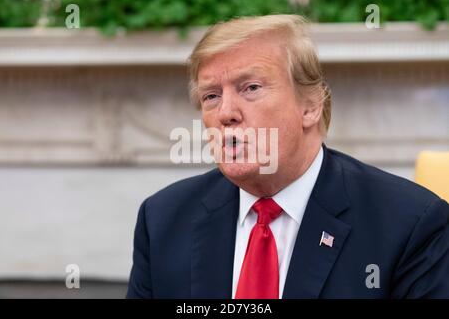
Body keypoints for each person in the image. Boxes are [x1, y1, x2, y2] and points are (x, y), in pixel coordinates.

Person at [126, 15, 449, 298]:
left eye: (250, 88)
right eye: (211, 96)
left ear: (310, 105)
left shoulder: (409, 224)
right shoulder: (163, 220)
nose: (225, 113)